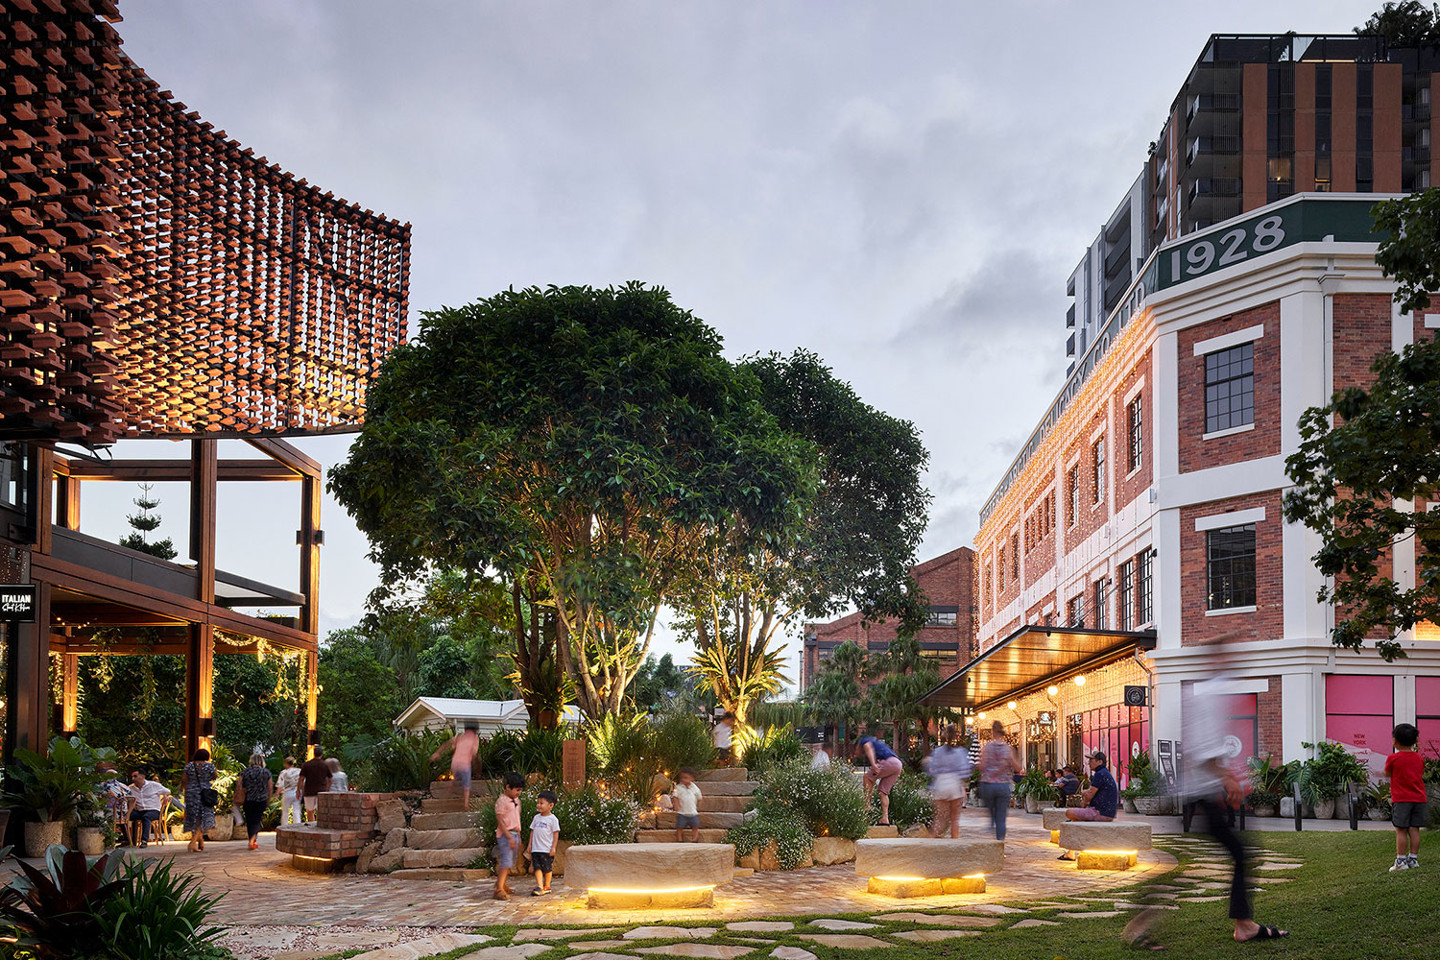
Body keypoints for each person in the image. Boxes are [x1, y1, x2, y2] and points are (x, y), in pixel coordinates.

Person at [1181, 676, 1288, 943]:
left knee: (1239, 854)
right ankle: (1244, 925)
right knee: (1238, 855)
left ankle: (1244, 923)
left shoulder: (1210, 696)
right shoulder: (1207, 697)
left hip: (1205, 797)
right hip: (1202, 796)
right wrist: (1228, 778)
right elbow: (1201, 753)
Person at [1058, 751, 1119, 861]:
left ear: (1099, 761)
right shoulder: (1104, 773)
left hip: (1100, 812)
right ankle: (1070, 853)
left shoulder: (1100, 774)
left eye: (1091, 760)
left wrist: (1084, 802)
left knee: (1069, 813)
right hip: (1106, 812)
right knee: (1076, 821)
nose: (1089, 762)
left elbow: (1090, 795)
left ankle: (1071, 852)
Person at [1386, 722, 1426, 871]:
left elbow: (1388, 773)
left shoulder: (1393, 758)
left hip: (1402, 800)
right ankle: (1413, 859)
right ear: (1415, 741)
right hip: (1419, 799)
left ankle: (1401, 861)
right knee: (1414, 829)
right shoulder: (1419, 758)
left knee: (1401, 830)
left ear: (1395, 741)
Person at [925, 724, 973, 838]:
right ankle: (954, 844)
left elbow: (931, 769)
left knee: (939, 819)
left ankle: (930, 844)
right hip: (954, 783)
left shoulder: (938, 752)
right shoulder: (961, 752)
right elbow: (966, 771)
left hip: (941, 783)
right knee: (954, 820)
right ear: (956, 735)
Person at [978, 720, 1022, 841]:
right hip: (1003, 785)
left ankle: (992, 818)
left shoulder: (987, 747)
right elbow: (1018, 768)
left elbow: (981, 765)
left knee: (990, 807)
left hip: (988, 785)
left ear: (992, 732)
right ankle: (1000, 842)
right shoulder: (1008, 749)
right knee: (1001, 817)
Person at [856, 734, 905, 826]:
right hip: (898, 764)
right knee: (883, 792)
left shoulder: (864, 741)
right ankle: (885, 818)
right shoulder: (877, 743)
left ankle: (867, 806)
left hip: (888, 762)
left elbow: (868, 747)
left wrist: (873, 764)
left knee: (867, 777)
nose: (856, 754)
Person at [431, 723, 481, 809]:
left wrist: (437, 753)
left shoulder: (459, 737)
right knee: (466, 786)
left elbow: (447, 744)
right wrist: (477, 767)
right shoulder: (474, 738)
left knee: (453, 782)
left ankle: (445, 800)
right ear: (475, 730)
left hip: (455, 763)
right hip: (465, 764)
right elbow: (474, 754)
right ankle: (466, 805)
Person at [493, 772, 524, 901]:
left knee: (510, 860)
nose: (518, 793)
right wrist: (509, 837)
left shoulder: (517, 801)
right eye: (517, 790)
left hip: (515, 833)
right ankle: (499, 889)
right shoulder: (502, 802)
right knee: (506, 861)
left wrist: (519, 835)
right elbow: (500, 821)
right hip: (506, 835)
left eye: (520, 790)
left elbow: (517, 819)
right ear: (508, 787)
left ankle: (501, 883)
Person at [182, 748, 218, 853]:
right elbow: (215, 776)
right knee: (202, 817)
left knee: (194, 817)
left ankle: (200, 841)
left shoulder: (189, 766)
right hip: (205, 793)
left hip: (191, 793)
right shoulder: (209, 766)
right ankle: (192, 843)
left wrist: (186, 790)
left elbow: (184, 779)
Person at [237, 752, 274, 851]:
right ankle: (253, 840)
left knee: (250, 820)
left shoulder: (245, 772)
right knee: (257, 820)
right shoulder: (266, 772)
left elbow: (240, 785)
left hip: (248, 799)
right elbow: (270, 787)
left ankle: (251, 839)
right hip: (261, 799)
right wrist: (268, 799)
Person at [126, 766, 170, 847]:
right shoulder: (131, 788)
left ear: (142, 776)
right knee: (124, 817)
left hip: (153, 810)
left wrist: (165, 795)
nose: (133, 778)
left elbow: (168, 791)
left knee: (146, 817)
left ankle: (144, 841)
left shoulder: (153, 785)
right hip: (139, 811)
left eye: (135, 776)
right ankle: (127, 840)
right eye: (132, 776)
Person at [528, 789, 561, 896]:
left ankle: (547, 885)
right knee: (536, 867)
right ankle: (539, 886)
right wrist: (530, 845)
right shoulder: (536, 818)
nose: (539, 805)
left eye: (542, 803)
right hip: (535, 849)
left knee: (547, 868)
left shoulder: (553, 819)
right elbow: (532, 831)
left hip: (546, 849)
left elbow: (555, 834)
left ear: (551, 805)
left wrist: (553, 848)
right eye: (538, 803)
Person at [297, 749, 332, 822]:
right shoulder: (325, 765)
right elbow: (330, 778)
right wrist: (327, 789)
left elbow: (301, 779)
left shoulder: (306, 765)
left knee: (310, 811)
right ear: (321, 754)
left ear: (314, 754)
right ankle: (319, 827)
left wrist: (298, 790)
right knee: (321, 811)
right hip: (322, 791)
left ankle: (311, 826)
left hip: (309, 791)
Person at [671, 768, 703, 842]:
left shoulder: (694, 787)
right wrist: (676, 804)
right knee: (679, 827)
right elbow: (675, 796)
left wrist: (697, 806)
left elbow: (699, 797)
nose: (683, 779)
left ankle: (695, 839)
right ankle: (679, 839)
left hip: (693, 812)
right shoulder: (678, 787)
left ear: (691, 778)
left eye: (685, 778)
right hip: (682, 812)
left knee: (695, 826)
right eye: (681, 778)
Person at [276, 757, 302, 827]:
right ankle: (297, 826)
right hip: (297, 792)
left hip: (287, 793)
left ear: (286, 764)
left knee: (285, 811)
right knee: (296, 811)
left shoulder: (283, 772)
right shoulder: (299, 771)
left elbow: (280, 785)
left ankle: (284, 826)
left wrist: (277, 794)